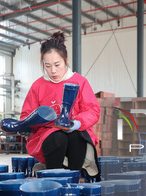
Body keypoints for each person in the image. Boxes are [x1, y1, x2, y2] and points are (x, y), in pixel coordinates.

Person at [20, 31, 100, 179]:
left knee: (77, 137)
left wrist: (77, 123)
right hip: (48, 134)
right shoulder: (38, 86)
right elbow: (26, 115)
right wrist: (26, 125)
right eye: (47, 66)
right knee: (58, 138)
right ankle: (53, 179)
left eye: (57, 64)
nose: (53, 71)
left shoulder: (79, 82)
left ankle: (73, 179)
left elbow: (93, 110)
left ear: (66, 60)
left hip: (76, 130)